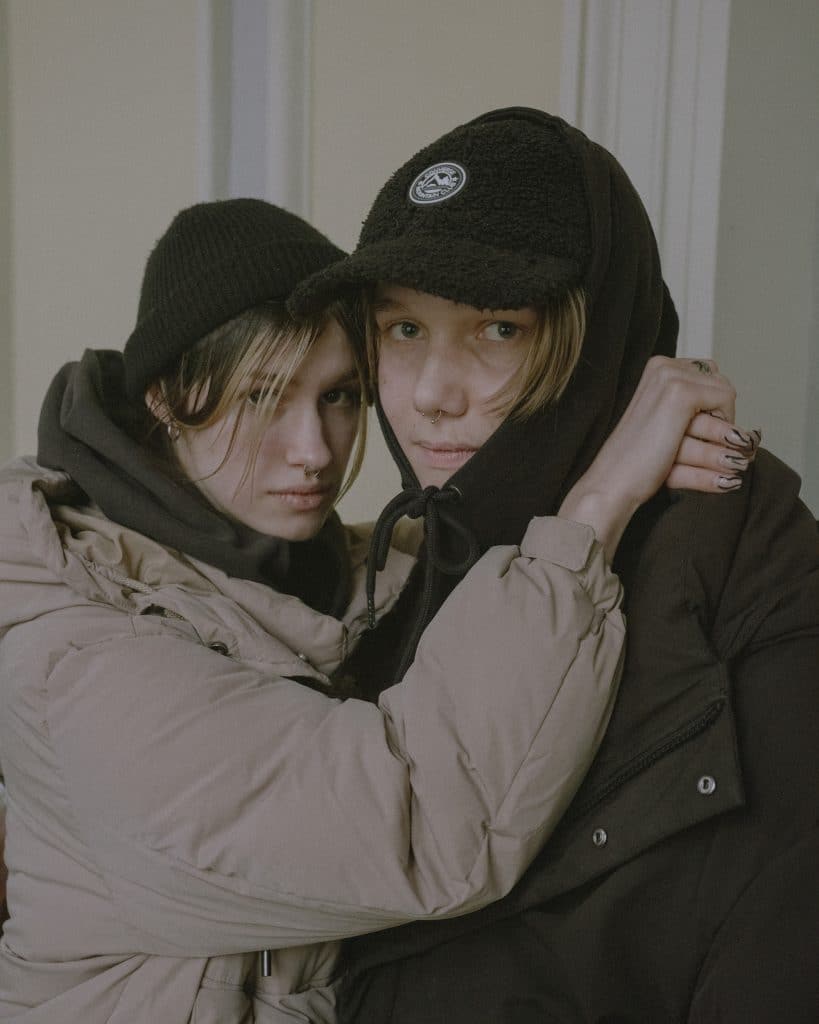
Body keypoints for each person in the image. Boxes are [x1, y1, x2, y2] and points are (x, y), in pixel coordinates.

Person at [0, 195, 746, 1023]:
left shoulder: (308, 570)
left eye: (342, 395)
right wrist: (597, 503)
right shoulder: (79, 662)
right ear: (168, 400)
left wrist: (619, 437)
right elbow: (430, 832)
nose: (314, 451)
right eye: (260, 399)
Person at [289, 107, 819, 1022]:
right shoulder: (394, 565)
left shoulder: (736, 558)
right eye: (402, 330)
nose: (429, 398)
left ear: (601, 334)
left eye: (499, 329)